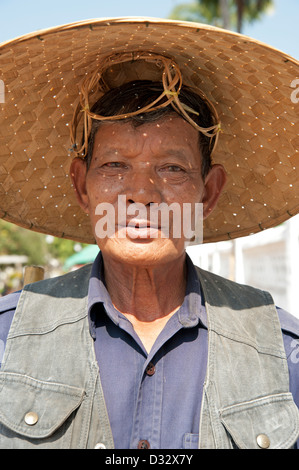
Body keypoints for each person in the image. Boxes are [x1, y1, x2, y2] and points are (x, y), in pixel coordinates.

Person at [0, 17, 298, 450]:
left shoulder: (280, 352)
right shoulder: (9, 340)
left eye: (172, 169)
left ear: (208, 193)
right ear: (82, 186)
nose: (141, 194)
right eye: (115, 166)